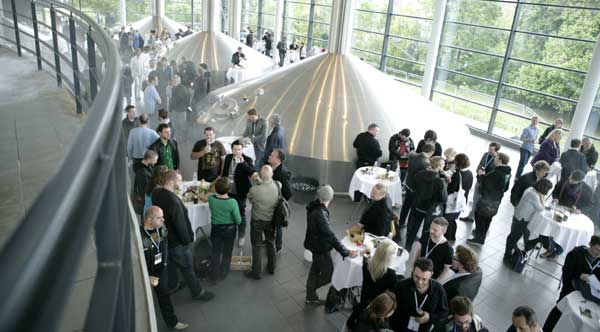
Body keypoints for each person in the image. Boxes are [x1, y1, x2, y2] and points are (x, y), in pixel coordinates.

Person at [151, 170, 215, 301]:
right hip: (177, 242)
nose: (181, 182)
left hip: (166, 238)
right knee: (187, 268)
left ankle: (173, 285)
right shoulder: (174, 201)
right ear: (170, 181)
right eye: (179, 180)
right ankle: (198, 293)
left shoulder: (157, 193)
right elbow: (180, 224)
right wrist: (188, 240)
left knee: (171, 264)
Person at [304, 185, 358, 304]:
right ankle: (311, 290)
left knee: (315, 269)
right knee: (328, 274)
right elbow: (330, 235)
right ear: (331, 198)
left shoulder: (314, 205)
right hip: (320, 248)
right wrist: (346, 252)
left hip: (314, 244)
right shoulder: (320, 213)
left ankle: (310, 295)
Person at [141, 206, 189, 330]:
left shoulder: (162, 229)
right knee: (142, 301)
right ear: (149, 220)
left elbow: (165, 246)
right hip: (144, 273)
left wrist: (165, 263)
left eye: (162, 217)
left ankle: (172, 322)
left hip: (161, 270)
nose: (163, 220)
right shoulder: (139, 237)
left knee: (164, 297)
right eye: (159, 218)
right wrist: (146, 276)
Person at [542, 235, 600, 332]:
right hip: (570, 291)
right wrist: (579, 275)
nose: (598, 253)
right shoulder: (576, 254)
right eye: (597, 249)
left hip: (591, 297)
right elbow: (567, 272)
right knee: (559, 311)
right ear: (590, 244)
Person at [390, 258, 448, 332]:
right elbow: (391, 306)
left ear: (431, 275)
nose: (420, 282)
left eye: (424, 279)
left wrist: (430, 317)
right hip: (399, 328)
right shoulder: (401, 286)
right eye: (416, 277)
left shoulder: (439, 290)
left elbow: (444, 312)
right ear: (413, 271)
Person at [503, 179, 553, 262]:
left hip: (519, 216)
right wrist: (542, 197)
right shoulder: (533, 194)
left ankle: (509, 253)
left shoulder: (531, 189)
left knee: (513, 236)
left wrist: (541, 196)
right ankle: (507, 256)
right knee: (513, 238)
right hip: (521, 219)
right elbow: (541, 208)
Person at [468, 152, 511, 245]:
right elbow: (506, 188)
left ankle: (479, 239)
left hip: (487, 201)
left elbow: (485, 187)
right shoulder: (507, 173)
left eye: (496, 158)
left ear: (500, 160)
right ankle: (481, 235)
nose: (494, 160)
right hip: (496, 201)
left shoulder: (496, 173)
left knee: (480, 218)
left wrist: (481, 176)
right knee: (488, 219)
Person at [405, 157, 448, 251]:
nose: (444, 166)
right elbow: (444, 199)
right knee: (427, 230)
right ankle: (423, 248)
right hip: (430, 209)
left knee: (414, 227)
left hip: (418, 205)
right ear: (439, 166)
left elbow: (414, 187)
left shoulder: (419, 174)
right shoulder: (440, 181)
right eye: (443, 164)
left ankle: (408, 246)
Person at [246, 165, 279, 279]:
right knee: (271, 242)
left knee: (256, 246)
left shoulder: (254, 190)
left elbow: (250, 200)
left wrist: (259, 183)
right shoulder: (278, 186)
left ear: (259, 176)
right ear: (272, 174)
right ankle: (272, 267)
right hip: (271, 221)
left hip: (257, 221)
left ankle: (256, 272)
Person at [221, 140, 256, 247]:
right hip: (228, 190)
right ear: (232, 149)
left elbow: (252, 172)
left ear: (242, 149)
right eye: (235, 149)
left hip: (240, 192)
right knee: (228, 213)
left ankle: (241, 236)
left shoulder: (247, 159)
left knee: (241, 214)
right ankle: (229, 234)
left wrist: (243, 163)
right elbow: (224, 172)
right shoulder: (228, 158)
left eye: (239, 149)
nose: (237, 152)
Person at [208, 177, 241, 283]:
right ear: (229, 190)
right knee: (227, 252)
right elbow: (238, 220)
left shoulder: (211, 199)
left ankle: (213, 275)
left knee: (215, 251)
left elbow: (210, 192)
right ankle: (224, 272)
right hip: (229, 231)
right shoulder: (232, 202)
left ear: (216, 189)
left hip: (216, 229)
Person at [461, 142, 502, 223]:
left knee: (482, 204)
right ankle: (470, 217)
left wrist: (485, 174)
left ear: (496, 151)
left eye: (491, 149)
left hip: (487, 185)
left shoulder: (497, 160)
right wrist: (478, 170)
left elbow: (495, 173)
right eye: (489, 148)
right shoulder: (486, 154)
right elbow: (480, 164)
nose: (489, 151)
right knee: (475, 199)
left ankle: (478, 223)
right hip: (479, 180)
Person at [398, 144, 435, 232]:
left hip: (408, 184)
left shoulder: (413, 156)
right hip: (416, 189)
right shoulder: (426, 163)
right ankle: (410, 229)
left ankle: (401, 222)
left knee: (406, 205)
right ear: (431, 152)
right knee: (413, 211)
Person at [359, 240, 400, 308]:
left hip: (363, 300)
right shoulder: (391, 275)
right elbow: (394, 294)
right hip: (378, 306)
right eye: (393, 253)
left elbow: (367, 250)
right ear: (388, 257)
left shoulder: (366, 264)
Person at [443, 154, 473, 241]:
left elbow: (451, 189)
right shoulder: (470, 173)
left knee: (447, 219)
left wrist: (448, 181)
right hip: (462, 201)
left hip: (453, 201)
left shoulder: (457, 175)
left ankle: (447, 237)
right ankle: (452, 236)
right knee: (453, 220)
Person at [268, 148, 292, 254]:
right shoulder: (270, 166)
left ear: (278, 160)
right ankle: (269, 240)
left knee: (278, 226)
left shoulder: (282, 173)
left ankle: (278, 247)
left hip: (277, 204)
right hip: (270, 203)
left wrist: (280, 201)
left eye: (272, 155)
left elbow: (288, 192)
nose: (269, 156)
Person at [132, 150, 158, 216]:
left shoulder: (146, 168)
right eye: (155, 160)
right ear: (149, 159)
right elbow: (142, 190)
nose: (156, 161)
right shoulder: (142, 171)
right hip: (145, 201)